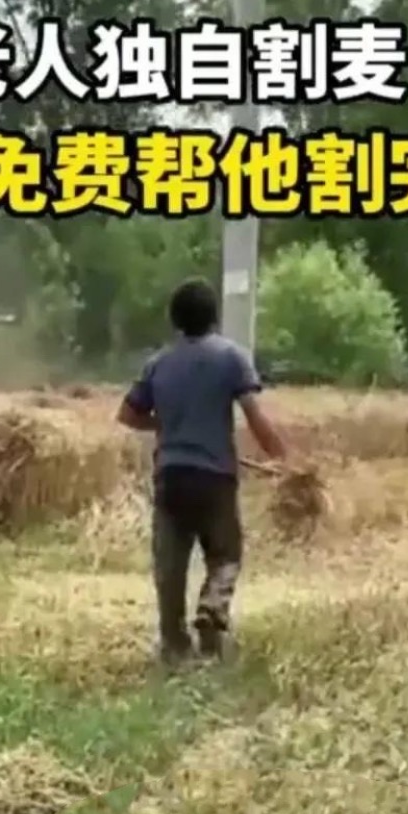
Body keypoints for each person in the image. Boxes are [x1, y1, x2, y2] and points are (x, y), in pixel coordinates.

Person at [117, 278, 289, 665]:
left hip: (171, 476)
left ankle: (174, 645)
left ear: (174, 320)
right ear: (214, 317)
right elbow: (254, 416)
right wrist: (283, 458)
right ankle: (213, 608)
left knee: (170, 565)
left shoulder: (158, 363)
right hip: (215, 477)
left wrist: (164, 425)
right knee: (226, 553)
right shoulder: (231, 357)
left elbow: (127, 415)